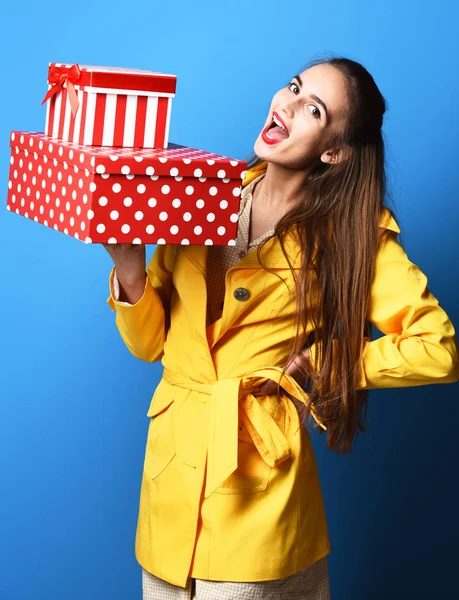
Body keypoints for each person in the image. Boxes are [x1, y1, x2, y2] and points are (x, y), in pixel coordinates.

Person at [104, 57, 459, 600]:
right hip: (169, 489)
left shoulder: (354, 236)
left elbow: (438, 347)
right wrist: (129, 267)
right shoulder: (198, 193)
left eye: (312, 109)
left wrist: (330, 363)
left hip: (257, 493)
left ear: (333, 150)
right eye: (293, 88)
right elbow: (151, 343)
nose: (287, 105)